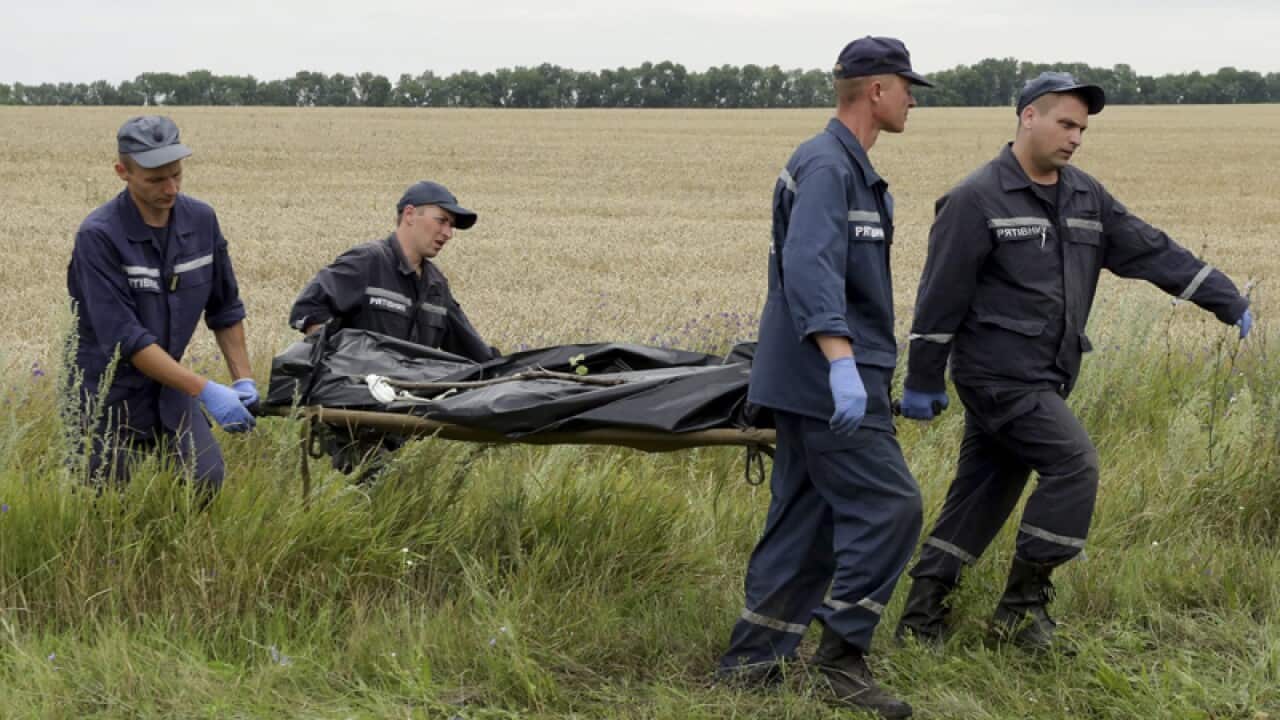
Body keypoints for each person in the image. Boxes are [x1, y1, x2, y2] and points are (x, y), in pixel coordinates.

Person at [895, 72, 1253, 651]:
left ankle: (922, 616)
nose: (1076, 138)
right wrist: (922, 378)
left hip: (1047, 376)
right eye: (1066, 123)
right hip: (997, 378)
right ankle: (1021, 609)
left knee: (986, 489)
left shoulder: (1085, 195)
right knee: (1073, 464)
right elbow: (940, 296)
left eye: (1082, 129)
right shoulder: (975, 199)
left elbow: (1148, 248)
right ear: (1028, 117)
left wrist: (1224, 296)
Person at [716, 36, 931, 719]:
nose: (911, 99)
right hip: (828, 379)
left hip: (818, 376)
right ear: (875, 90)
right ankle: (841, 657)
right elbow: (810, 266)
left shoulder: (850, 169)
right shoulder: (826, 166)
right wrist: (842, 364)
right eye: (906, 87)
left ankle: (753, 662)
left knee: (805, 522)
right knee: (893, 507)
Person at [68, 115, 258, 494]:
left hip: (170, 386)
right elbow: (127, 339)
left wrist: (242, 379)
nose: (170, 189)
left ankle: (180, 550)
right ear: (122, 171)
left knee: (204, 480)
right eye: (156, 179)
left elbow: (225, 308)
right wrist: (205, 389)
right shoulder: (99, 237)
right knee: (108, 506)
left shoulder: (201, 221)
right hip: (107, 397)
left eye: (177, 175)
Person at [288, 181, 498, 475]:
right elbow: (308, 311)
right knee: (376, 488)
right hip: (353, 423)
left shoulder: (436, 287)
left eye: (451, 227)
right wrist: (346, 369)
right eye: (442, 221)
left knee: (398, 498)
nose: (448, 234)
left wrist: (516, 376)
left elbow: (474, 353)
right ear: (410, 214)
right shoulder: (367, 262)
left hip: (403, 423)